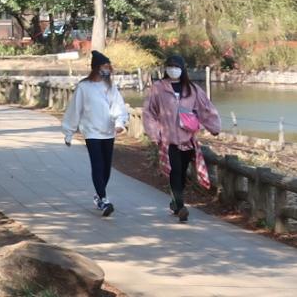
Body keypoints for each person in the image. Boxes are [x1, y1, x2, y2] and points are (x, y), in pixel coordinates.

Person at [142, 53, 221, 221]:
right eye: (170, 66)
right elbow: (149, 112)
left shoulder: (192, 89)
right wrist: (155, 133)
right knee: (175, 171)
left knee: (182, 173)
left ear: (183, 69)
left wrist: (214, 127)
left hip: (187, 139)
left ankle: (175, 202)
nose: (173, 70)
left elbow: (206, 108)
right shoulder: (158, 88)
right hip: (169, 139)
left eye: (177, 67)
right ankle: (180, 206)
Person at [61, 50, 129, 215]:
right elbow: (74, 110)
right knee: (97, 165)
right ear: (96, 68)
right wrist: (69, 132)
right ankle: (104, 199)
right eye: (104, 66)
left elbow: (118, 106)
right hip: (91, 132)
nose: (107, 69)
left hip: (108, 132)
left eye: (108, 66)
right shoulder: (84, 87)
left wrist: (120, 123)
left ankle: (98, 196)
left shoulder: (110, 87)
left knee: (106, 168)